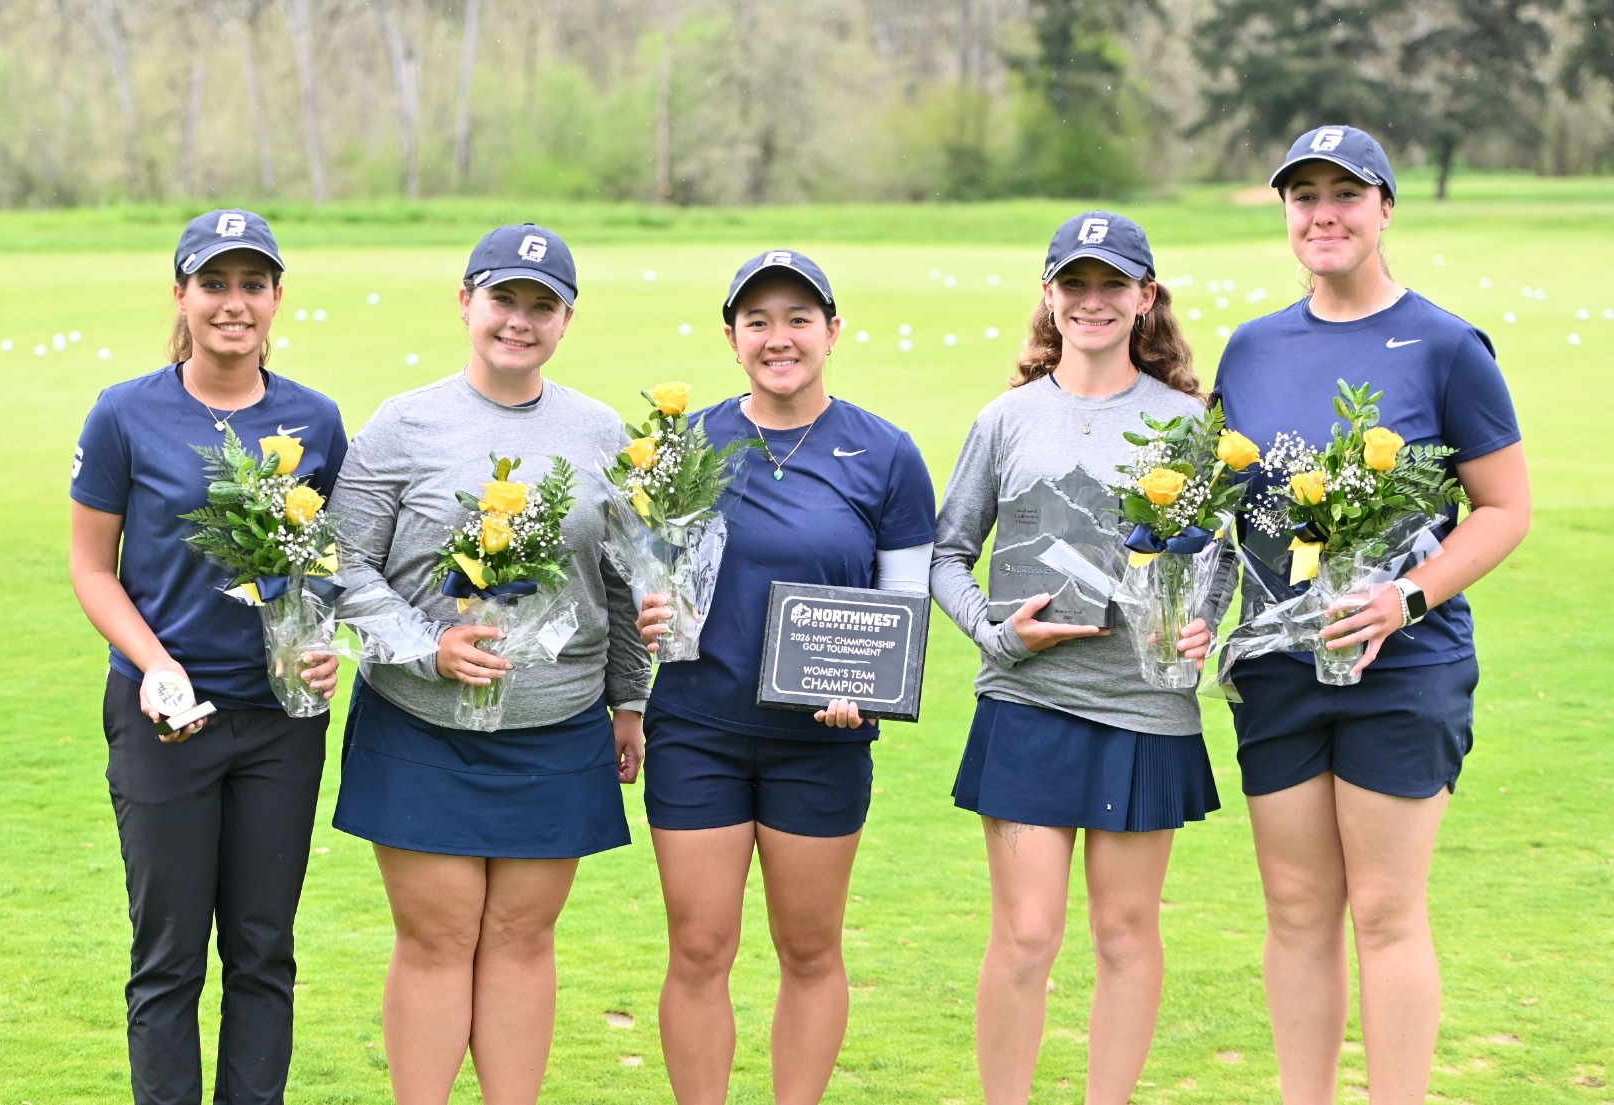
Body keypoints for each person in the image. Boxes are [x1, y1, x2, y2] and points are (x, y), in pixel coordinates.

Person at [1212, 125, 1530, 1105]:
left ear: (1383, 208)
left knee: (1386, 910)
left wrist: (1402, 596)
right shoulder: (1252, 346)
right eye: (1302, 196)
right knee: (1297, 907)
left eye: (1343, 195)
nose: (1322, 214)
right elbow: (1224, 510)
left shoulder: (1443, 344)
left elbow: (1504, 508)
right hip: (1277, 667)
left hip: (1405, 663)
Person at [327, 223, 650, 1105]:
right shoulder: (405, 423)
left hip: (557, 724)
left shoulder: (598, 431)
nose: (520, 320)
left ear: (567, 319)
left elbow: (623, 580)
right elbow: (341, 561)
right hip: (420, 724)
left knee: (521, 936)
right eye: (504, 299)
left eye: (542, 306)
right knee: (434, 941)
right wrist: (423, 646)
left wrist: (630, 697)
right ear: (466, 302)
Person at [929, 211, 1221, 1105]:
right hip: (1027, 703)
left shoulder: (1189, 422)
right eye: (1075, 284)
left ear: (1144, 297)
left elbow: (1211, 556)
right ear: (1049, 297)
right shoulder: (1007, 419)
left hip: (1144, 708)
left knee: (1128, 934)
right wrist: (995, 631)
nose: (1092, 302)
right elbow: (945, 556)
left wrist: (1201, 623)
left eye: (1112, 285)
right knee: (1025, 936)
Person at [636, 250, 938, 1105]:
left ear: (833, 332)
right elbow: (651, 577)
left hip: (823, 741)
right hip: (698, 731)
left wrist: (871, 686)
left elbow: (904, 598)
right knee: (699, 947)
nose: (780, 338)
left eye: (800, 319)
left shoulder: (887, 453)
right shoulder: (684, 447)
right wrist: (652, 611)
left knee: (810, 950)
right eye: (758, 321)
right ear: (731, 338)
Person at [69, 209, 347, 1105]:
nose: (235, 304)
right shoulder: (125, 413)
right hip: (166, 723)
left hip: (279, 723)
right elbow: (90, 567)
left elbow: (330, 564)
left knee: (264, 950)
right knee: (169, 957)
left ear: (276, 298)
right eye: (214, 284)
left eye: (252, 285)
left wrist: (321, 644)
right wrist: (153, 662)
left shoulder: (314, 418)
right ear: (181, 296)